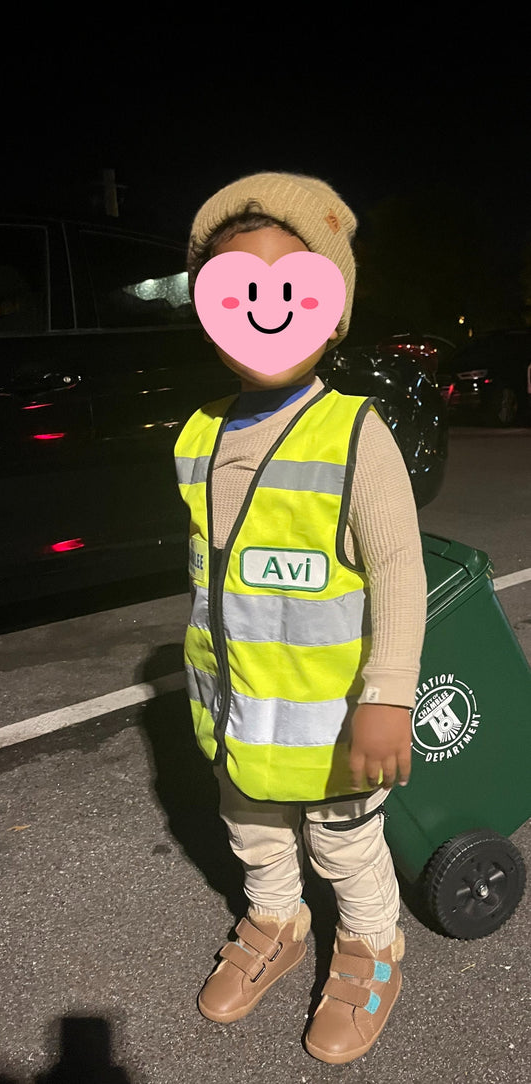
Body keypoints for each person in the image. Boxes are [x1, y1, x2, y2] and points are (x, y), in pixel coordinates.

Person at [174, 173, 425, 1064]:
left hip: (333, 724)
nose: (264, 307)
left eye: (290, 286)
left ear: (329, 304)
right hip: (237, 708)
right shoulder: (197, 433)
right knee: (249, 829)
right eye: (238, 287)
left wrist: (388, 696)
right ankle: (274, 922)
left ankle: (371, 947)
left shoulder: (355, 432)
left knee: (345, 847)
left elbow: (398, 570)